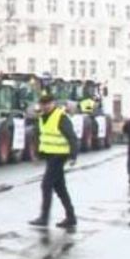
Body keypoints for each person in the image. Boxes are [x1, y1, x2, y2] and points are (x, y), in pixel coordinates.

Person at [29, 91, 79, 229]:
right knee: (60, 188)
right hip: (50, 155)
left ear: (53, 104)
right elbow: (39, 137)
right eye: (43, 104)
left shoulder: (61, 117)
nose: (45, 107)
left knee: (46, 185)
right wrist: (37, 155)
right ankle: (71, 217)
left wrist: (73, 155)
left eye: (47, 104)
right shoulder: (42, 118)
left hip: (59, 156)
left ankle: (44, 218)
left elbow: (72, 137)